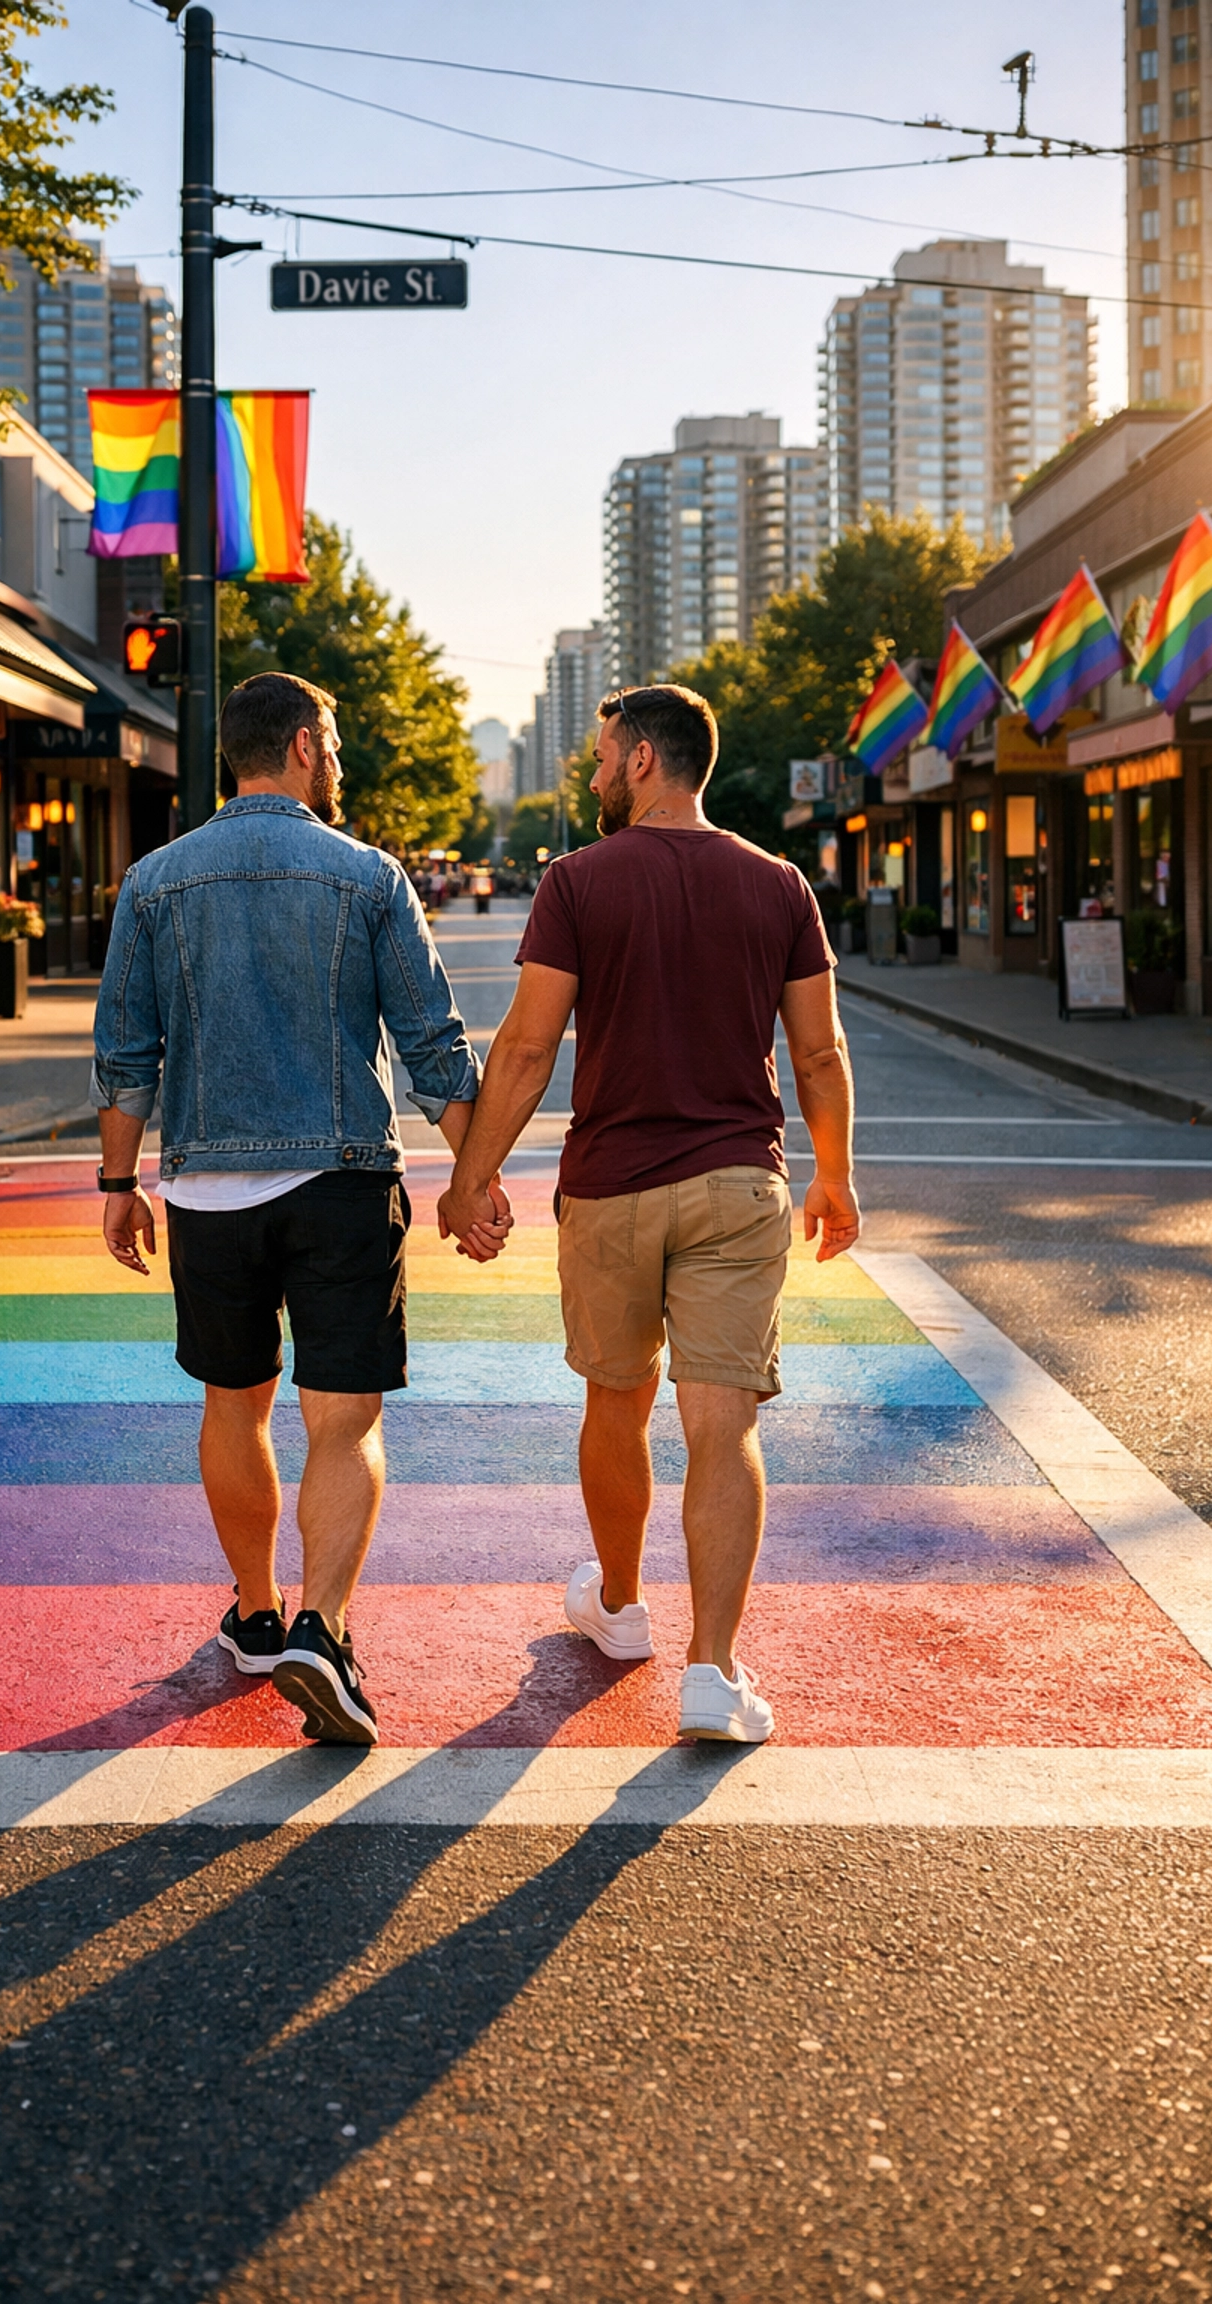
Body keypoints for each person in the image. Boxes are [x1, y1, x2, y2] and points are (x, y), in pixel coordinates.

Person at [438, 683, 860, 1746]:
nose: (589, 774)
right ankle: (713, 1673)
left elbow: (528, 1049)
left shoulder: (578, 881)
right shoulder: (779, 885)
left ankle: (619, 1607)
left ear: (641, 761)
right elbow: (818, 1052)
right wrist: (836, 1174)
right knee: (725, 1426)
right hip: (736, 1183)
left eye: (600, 755)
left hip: (613, 1187)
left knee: (616, 1403)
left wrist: (470, 1180)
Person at [92, 671, 505, 1746]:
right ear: (309, 746)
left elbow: (125, 1052)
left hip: (206, 1189)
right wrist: (473, 1181)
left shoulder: (154, 880)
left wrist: (115, 1183)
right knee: (344, 1415)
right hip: (340, 1182)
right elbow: (430, 1045)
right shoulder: (366, 877)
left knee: (234, 1404)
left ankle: (259, 1613)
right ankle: (324, 1631)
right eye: (337, 745)